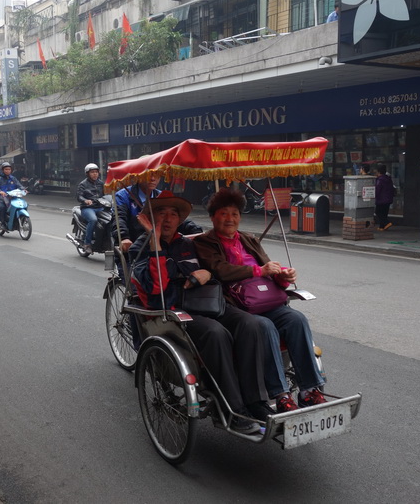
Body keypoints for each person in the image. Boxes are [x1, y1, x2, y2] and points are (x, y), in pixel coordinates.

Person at [128, 191, 260, 433]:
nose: (167, 219)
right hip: (170, 314)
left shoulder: (188, 244)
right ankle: (233, 411)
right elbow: (156, 289)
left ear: (180, 220)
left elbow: (213, 270)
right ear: (149, 218)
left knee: (249, 323)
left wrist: (207, 273)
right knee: (216, 333)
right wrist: (155, 241)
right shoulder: (139, 248)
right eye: (160, 213)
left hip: (205, 303)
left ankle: (257, 400)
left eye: (173, 214)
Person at [194, 188, 327, 416]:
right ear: (213, 217)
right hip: (235, 306)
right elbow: (220, 270)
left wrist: (282, 275)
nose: (230, 219)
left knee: (296, 319)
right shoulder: (205, 242)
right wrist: (257, 270)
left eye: (234, 214)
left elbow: (267, 267)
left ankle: (309, 389)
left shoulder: (248, 239)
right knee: (264, 326)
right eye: (224, 213)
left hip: (264, 301)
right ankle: (280, 393)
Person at [76, 163, 104, 254]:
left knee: (112, 217)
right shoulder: (83, 184)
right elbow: (79, 196)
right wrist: (85, 200)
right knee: (93, 220)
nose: (95, 174)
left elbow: (107, 193)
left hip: (100, 207)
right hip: (88, 208)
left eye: (96, 172)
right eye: (92, 172)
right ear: (87, 174)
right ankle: (87, 243)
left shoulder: (101, 183)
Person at [375, 163, 396, 231]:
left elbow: (377, 190)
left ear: (378, 171)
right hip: (388, 199)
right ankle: (382, 227)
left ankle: (387, 223)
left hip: (381, 199)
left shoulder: (380, 180)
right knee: (384, 213)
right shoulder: (388, 179)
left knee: (378, 212)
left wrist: (375, 196)